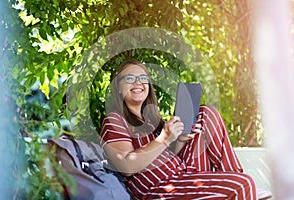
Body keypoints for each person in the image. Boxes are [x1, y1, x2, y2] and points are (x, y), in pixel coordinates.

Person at [99, 59, 261, 199]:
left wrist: (181, 139)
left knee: (205, 114)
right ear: (118, 87)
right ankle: (240, 186)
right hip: (159, 188)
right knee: (243, 184)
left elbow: (165, 157)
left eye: (143, 78)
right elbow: (127, 166)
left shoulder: (150, 121)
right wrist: (165, 138)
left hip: (182, 174)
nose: (138, 83)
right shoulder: (115, 120)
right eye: (130, 78)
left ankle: (235, 178)